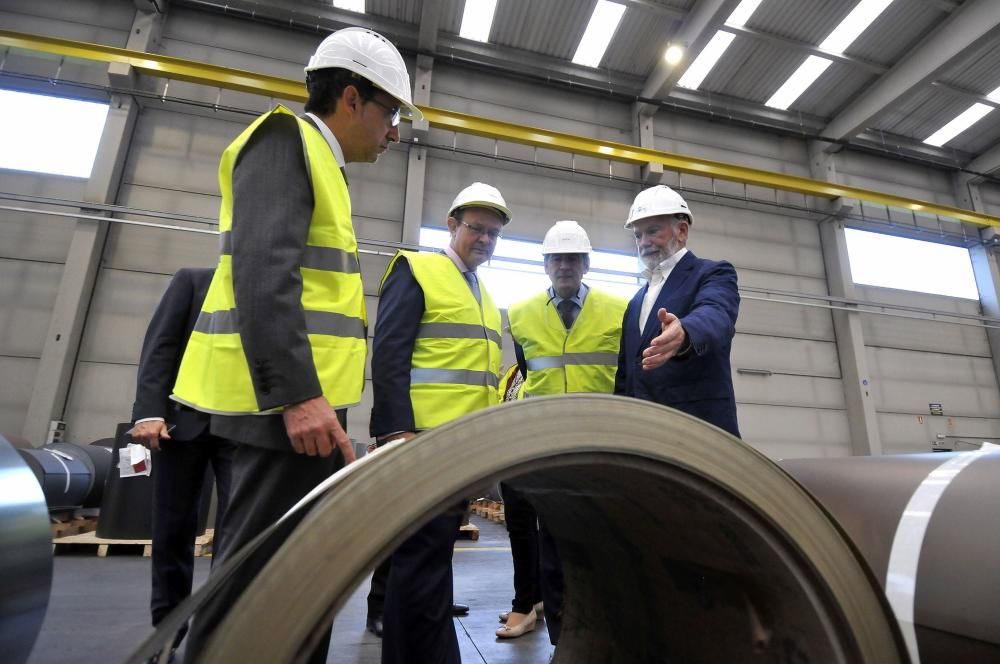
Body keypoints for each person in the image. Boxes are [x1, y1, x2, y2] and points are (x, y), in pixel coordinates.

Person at [170, 26, 422, 663]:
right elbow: (262, 272)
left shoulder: (323, 162)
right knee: (258, 598)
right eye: (390, 113)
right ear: (351, 99)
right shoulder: (285, 140)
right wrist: (299, 396)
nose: (393, 132)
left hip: (300, 416)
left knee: (299, 591)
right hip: (277, 415)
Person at [371, 182, 511, 664]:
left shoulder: (484, 296)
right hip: (421, 443)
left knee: (431, 561)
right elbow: (389, 353)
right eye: (476, 228)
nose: (485, 240)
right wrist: (395, 432)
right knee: (417, 561)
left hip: (460, 448)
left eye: (494, 233)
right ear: (452, 225)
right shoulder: (419, 270)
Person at [506, 220, 628, 645]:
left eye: (573, 258)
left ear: (586, 264)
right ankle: (562, 638)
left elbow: (625, 374)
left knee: (599, 538)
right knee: (553, 543)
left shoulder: (620, 308)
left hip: (601, 442)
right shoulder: (520, 314)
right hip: (548, 442)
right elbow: (527, 370)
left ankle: (604, 626)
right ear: (545, 265)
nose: (564, 266)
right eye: (556, 258)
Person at [129, 267, 237, 663]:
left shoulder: (271, 286)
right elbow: (161, 346)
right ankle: (169, 627)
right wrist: (148, 412)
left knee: (236, 531)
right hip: (181, 421)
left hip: (241, 426)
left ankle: (220, 627)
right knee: (173, 527)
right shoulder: (193, 281)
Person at [614, 185, 741, 438]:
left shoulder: (713, 273)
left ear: (682, 231)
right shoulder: (636, 301)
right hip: (644, 436)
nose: (643, 243)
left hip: (698, 432)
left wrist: (684, 332)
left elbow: (716, 314)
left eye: (652, 231)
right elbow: (627, 375)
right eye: (637, 235)